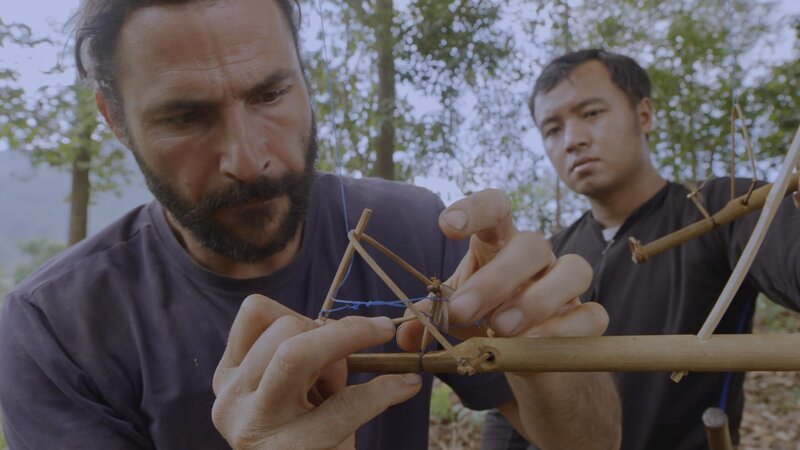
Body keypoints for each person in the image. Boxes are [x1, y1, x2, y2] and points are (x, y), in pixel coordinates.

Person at [0, 2, 622, 448]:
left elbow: (592, 441)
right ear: (116, 119)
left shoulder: (424, 231)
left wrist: (550, 363)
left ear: (301, 77)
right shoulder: (53, 328)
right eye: (186, 117)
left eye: (270, 95)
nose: (248, 160)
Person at [481, 48, 800, 450]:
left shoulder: (727, 204)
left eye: (592, 113)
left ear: (644, 115)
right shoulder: (551, 256)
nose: (573, 140)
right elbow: (513, 400)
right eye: (552, 129)